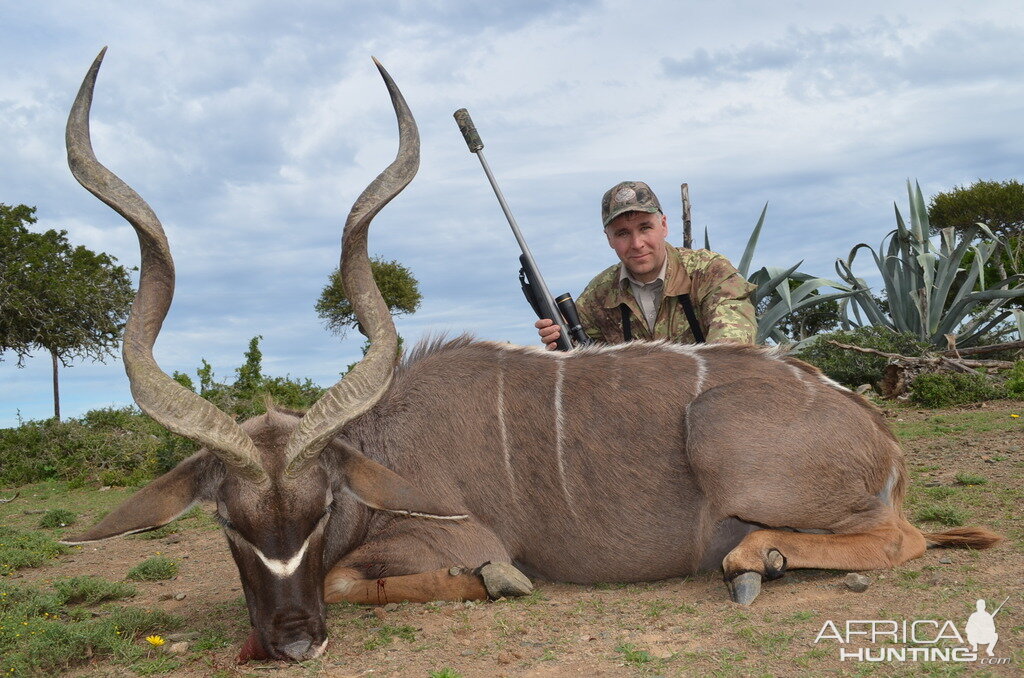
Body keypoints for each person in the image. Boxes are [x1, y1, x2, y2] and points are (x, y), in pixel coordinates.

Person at [535, 180, 757, 348]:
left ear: (663, 225)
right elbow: (584, 371)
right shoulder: (597, 297)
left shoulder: (710, 272)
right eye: (622, 233)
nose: (637, 244)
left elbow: (731, 351)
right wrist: (562, 341)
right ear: (609, 239)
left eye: (645, 228)